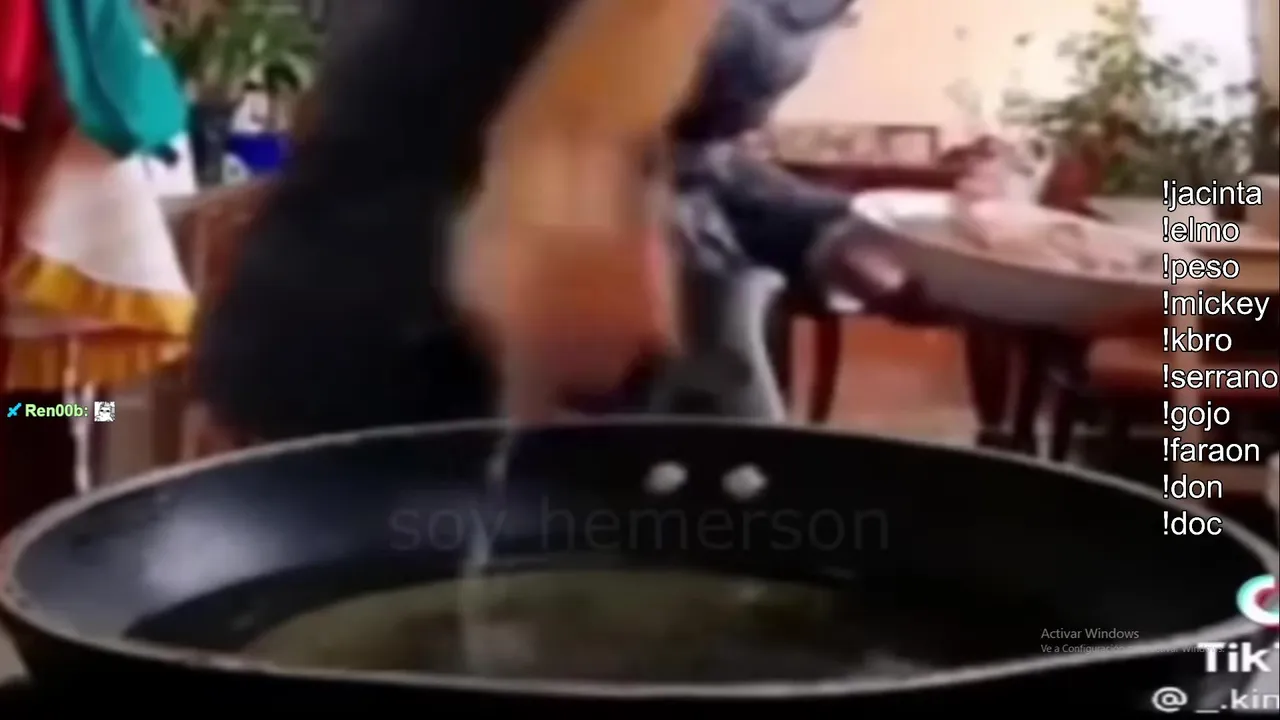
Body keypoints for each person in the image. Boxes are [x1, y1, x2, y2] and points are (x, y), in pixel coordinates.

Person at [194, 0, 993, 441]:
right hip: (375, 362)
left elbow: (689, 151)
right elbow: (427, 103)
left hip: (645, 385)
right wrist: (571, 150)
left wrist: (823, 232)